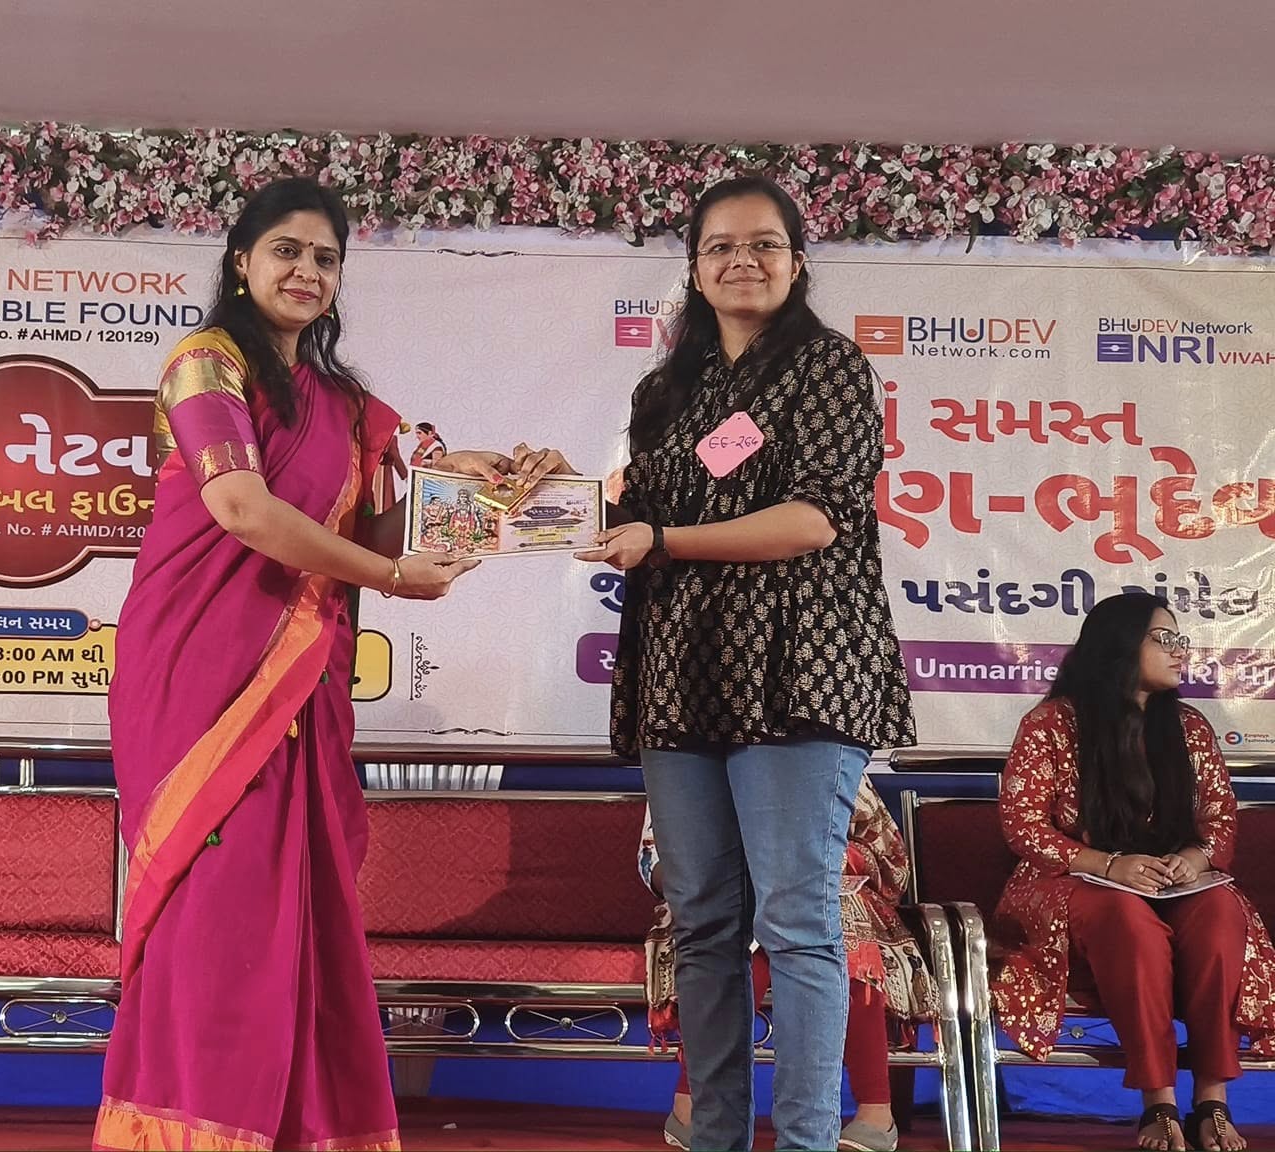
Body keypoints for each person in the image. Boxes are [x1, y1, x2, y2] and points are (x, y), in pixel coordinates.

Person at [94, 176, 563, 1151]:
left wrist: (488, 491)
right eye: (287, 251)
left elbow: (375, 530)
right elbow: (242, 510)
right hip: (197, 671)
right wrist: (390, 575)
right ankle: (190, 1129)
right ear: (241, 262)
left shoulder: (344, 406)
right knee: (213, 912)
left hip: (302, 683)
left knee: (297, 909)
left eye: (325, 258)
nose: (306, 271)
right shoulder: (205, 364)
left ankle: (298, 1129)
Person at [575, 174, 915, 1152]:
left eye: (763, 244)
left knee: (799, 921)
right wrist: (529, 491)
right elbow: (635, 504)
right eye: (720, 246)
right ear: (693, 267)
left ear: (796, 262)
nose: (741, 261)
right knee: (703, 925)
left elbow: (812, 519)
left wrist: (664, 540)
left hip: (800, 670)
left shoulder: (828, 367)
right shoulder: (665, 391)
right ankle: (715, 1136)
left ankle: (806, 1140)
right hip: (684, 673)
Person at [994, 592, 1273, 1152]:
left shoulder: (1189, 727)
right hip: (1069, 881)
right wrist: (1109, 866)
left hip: (1173, 881)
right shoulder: (1051, 723)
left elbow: (1220, 821)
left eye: (1179, 639)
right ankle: (1158, 1103)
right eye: (1163, 638)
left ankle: (1212, 1101)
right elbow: (1022, 824)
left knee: (1220, 912)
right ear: (1120, 646)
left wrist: (1192, 859)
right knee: (1127, 918)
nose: (1180, 650)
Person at [641, 777, 938, 1152]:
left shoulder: (829, 759)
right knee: (731, 928)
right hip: (722, 889)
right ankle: (691, 1106)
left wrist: (816, 860)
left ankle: (875, 1112)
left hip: (826, 891)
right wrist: (719, 869)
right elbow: (652, 859)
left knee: (836, 924)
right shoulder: (691, 761)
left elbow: (889, 859)